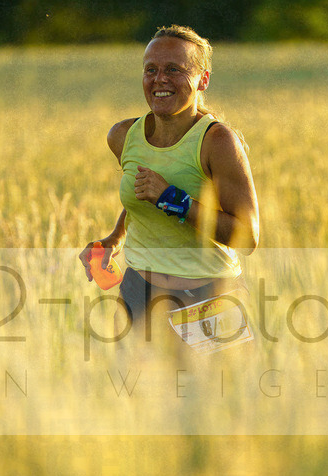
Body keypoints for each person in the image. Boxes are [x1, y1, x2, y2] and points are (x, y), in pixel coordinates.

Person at [80, 25, 260, 343]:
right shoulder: (123, 136)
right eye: (151, 70)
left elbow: (247, 236)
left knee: (216, 393)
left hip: (209, 297)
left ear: (203, 79)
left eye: (174, 69)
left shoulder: (217, 141)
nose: (160, 79)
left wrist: (172, 199)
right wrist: (114, 239)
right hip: (139, 294)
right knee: (132, 391)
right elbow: (141, 196)